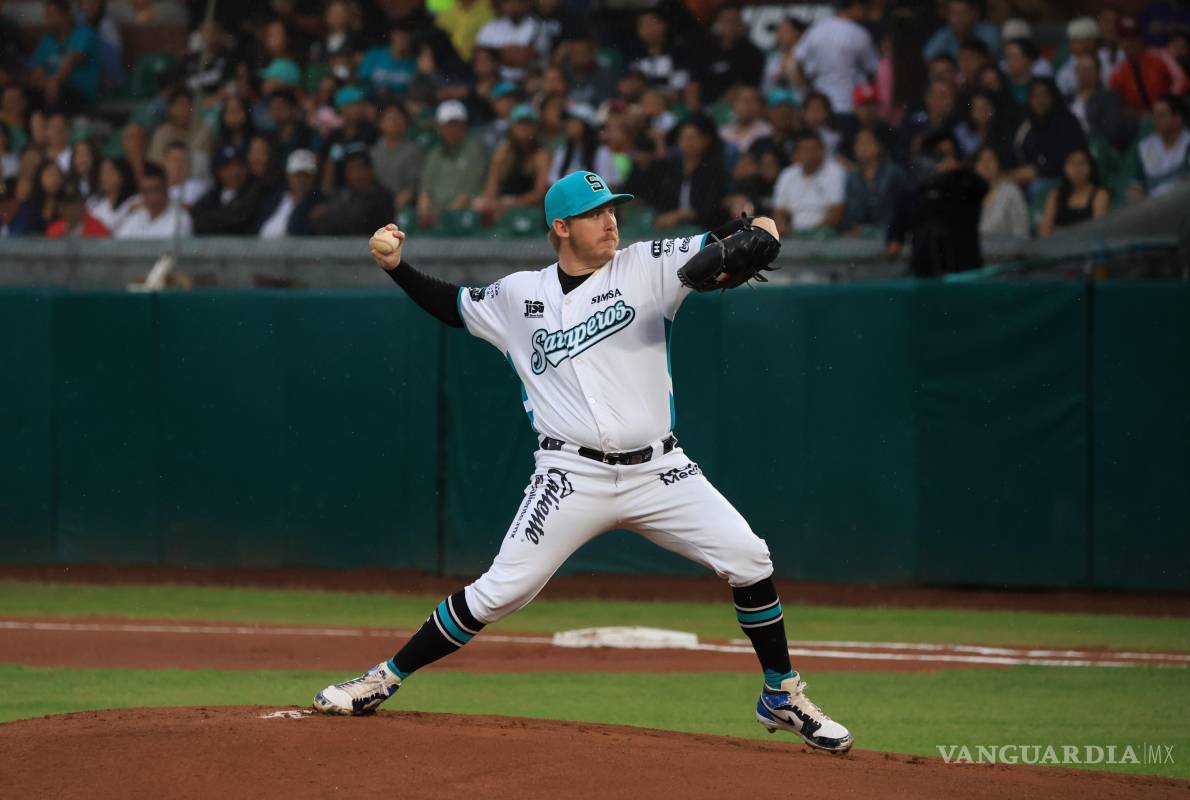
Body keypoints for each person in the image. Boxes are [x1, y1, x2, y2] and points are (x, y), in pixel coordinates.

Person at [311, 169, 855, 760]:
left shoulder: (648, 265)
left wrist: (765, 230)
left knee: (749, 557)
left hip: (660, 471)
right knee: (499, 592)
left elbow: (740, 235)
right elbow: (453, 305)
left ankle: (781, 694)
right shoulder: (519, 296)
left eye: (614, 209)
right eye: (597, 213)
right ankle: (382, 679)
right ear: (561, 227)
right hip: (571, 477)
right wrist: (396, 268)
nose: (611, 220)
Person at [886, 132, 987, 276]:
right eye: (939, 155)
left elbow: (982, 188)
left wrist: (959, 171)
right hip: (926, 270)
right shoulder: (919, 189)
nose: (945, 160)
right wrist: (894, 237)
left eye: (951, 154)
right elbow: (900, 219)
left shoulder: (965, 183)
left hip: (963, 268)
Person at [792, 0, 878, 115]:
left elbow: (795, 63)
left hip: (821, 107)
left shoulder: (817, 29)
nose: (866, 12)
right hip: (850, 105)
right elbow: (874, 72)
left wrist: (806, 92)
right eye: (864, 6)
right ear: (855, 6)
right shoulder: (860, 34)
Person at [651, 115, 729, 233]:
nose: (687, 142)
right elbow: (662, 200)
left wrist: (680, 215)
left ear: (705, 140)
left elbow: (711, 207)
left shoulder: (713, 169)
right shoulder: (673, 168)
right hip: (675, 229)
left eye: (692, 138)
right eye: (683, 137)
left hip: (706, 230)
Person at [418, 100, 489, 227]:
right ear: (439, 126)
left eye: (456, 124)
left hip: (463, 214)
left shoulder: (475, 151)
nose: (452, 129)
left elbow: (469, 192)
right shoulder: (435, 153)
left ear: (464, 125)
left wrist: (444, 216)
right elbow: (425, 191)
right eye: (447, 124)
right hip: (434, 214)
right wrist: (424, 212)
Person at [475, 103, 549, 224]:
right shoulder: (503, 152)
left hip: (529, 209)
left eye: (528, 123)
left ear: (535, 127)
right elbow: (491, 187)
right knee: (479, 207)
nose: (523, 128)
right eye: (519, 123)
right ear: (512, 127)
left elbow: (540, 194)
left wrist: (513, 202)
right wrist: (491, 202)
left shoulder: (541, 154)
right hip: (502, 204)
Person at [1012, 78, 1088, 194]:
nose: (1040, 100)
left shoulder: (1067, 121)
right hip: (1035, 176)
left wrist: (1037, 171)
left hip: (1064, 176)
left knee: (1035, 188)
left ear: (1053, 96)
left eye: (1044, 95)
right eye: (1035, 96)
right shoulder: (1027, 126)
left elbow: (1069, 157)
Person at [28, 0, 101, 111]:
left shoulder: (84, 33)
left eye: (51, 15)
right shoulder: (47, 40)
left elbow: (72, 62)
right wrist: (46, 83)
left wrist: (54, 82)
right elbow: (37, 73)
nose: (47, 19)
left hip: (80, 92)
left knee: (56, 92)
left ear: (66, 15)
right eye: (46, 15)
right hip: (52, 88)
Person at [771, 128, 846, 235]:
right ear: (797, 154)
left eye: (814, 149)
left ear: (822, 151)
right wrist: (782, 228)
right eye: (805, 150)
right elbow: (778, 212)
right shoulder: (787, 174)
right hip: (793, 233)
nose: (810, 154)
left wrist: (809, 233)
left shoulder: (835, 172)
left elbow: (836, 213)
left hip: (824, 234)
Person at [1131, 94, 1190, 199]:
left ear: (1177, 119)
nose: (1156, 120)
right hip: (1154, 209)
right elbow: (1136, 186)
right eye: (1154, 116)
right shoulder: (1145, 148)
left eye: (1162, 115)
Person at [311, 149, 394, 235]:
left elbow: (365, 221)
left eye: (359, 168)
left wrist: (330, 213)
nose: (355, 174)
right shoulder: (341, 195)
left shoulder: (383, 196)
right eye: (351, 170)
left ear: (370, 170)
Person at [841, 127, 906, 233]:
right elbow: (850, 214)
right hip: (861, 235)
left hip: (891, 232)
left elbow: (905, 206)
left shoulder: (893, 172)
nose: (862, 147)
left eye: (867, 142)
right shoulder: (852, 178)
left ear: (879, 146)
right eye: (858, 143)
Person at [190, 146, 264, 235]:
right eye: (227, 167)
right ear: (218, 171)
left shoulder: (254, 192)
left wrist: (212, 219)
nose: (234, 172)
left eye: (239, 166)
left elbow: (239, 220)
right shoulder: (213, 194)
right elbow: (197, 216)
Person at [1037, 147, 1110, 236]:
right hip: (1059, 245)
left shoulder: (1100, 194)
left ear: (1090, 166)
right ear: (1064, 168)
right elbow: (1045, 231)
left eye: (1082, 163)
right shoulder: (1055, 195)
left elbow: (1099, 230)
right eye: (1072, 164)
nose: (1077, 169)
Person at [113, 164, 192, 239]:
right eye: (145, 191)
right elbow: (119, 245)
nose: (150, 196)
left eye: (154, 190)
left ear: (165, 188)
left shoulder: (180, 218)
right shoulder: (136, 216)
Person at [370, 102, 424, 210]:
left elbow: (413, 186)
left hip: (404, 207)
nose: (395, 121)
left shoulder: (414, 151)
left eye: (399, 117)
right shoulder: (373, 153)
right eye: (390, 118)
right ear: (380, 123)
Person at [258, 148, 323, 238]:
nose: (301, 179)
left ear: (314, 177)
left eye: (306, 175)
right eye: (297, 175)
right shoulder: (273, 200)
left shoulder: (319, 203)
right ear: (288, 175)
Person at [974, 144, 1029, 238]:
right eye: (981, 160)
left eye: (991, 160)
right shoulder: (968, 195)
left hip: (1007, 250)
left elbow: (1021, 231)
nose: (985, 165)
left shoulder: (1011, 192)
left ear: (999, 164)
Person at [923, 0, 1001, 62]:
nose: (957, 19)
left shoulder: (989, 31)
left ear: (973, 14)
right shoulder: (945, 34)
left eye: (961, 14)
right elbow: (928, 57)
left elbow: (991, 56)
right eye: (953, 14)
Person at [86, 156, 137, 232]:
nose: (104, 177)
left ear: (122, 176)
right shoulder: (93, 203)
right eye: (102, 173)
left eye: (109, 172)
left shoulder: (135, 201)